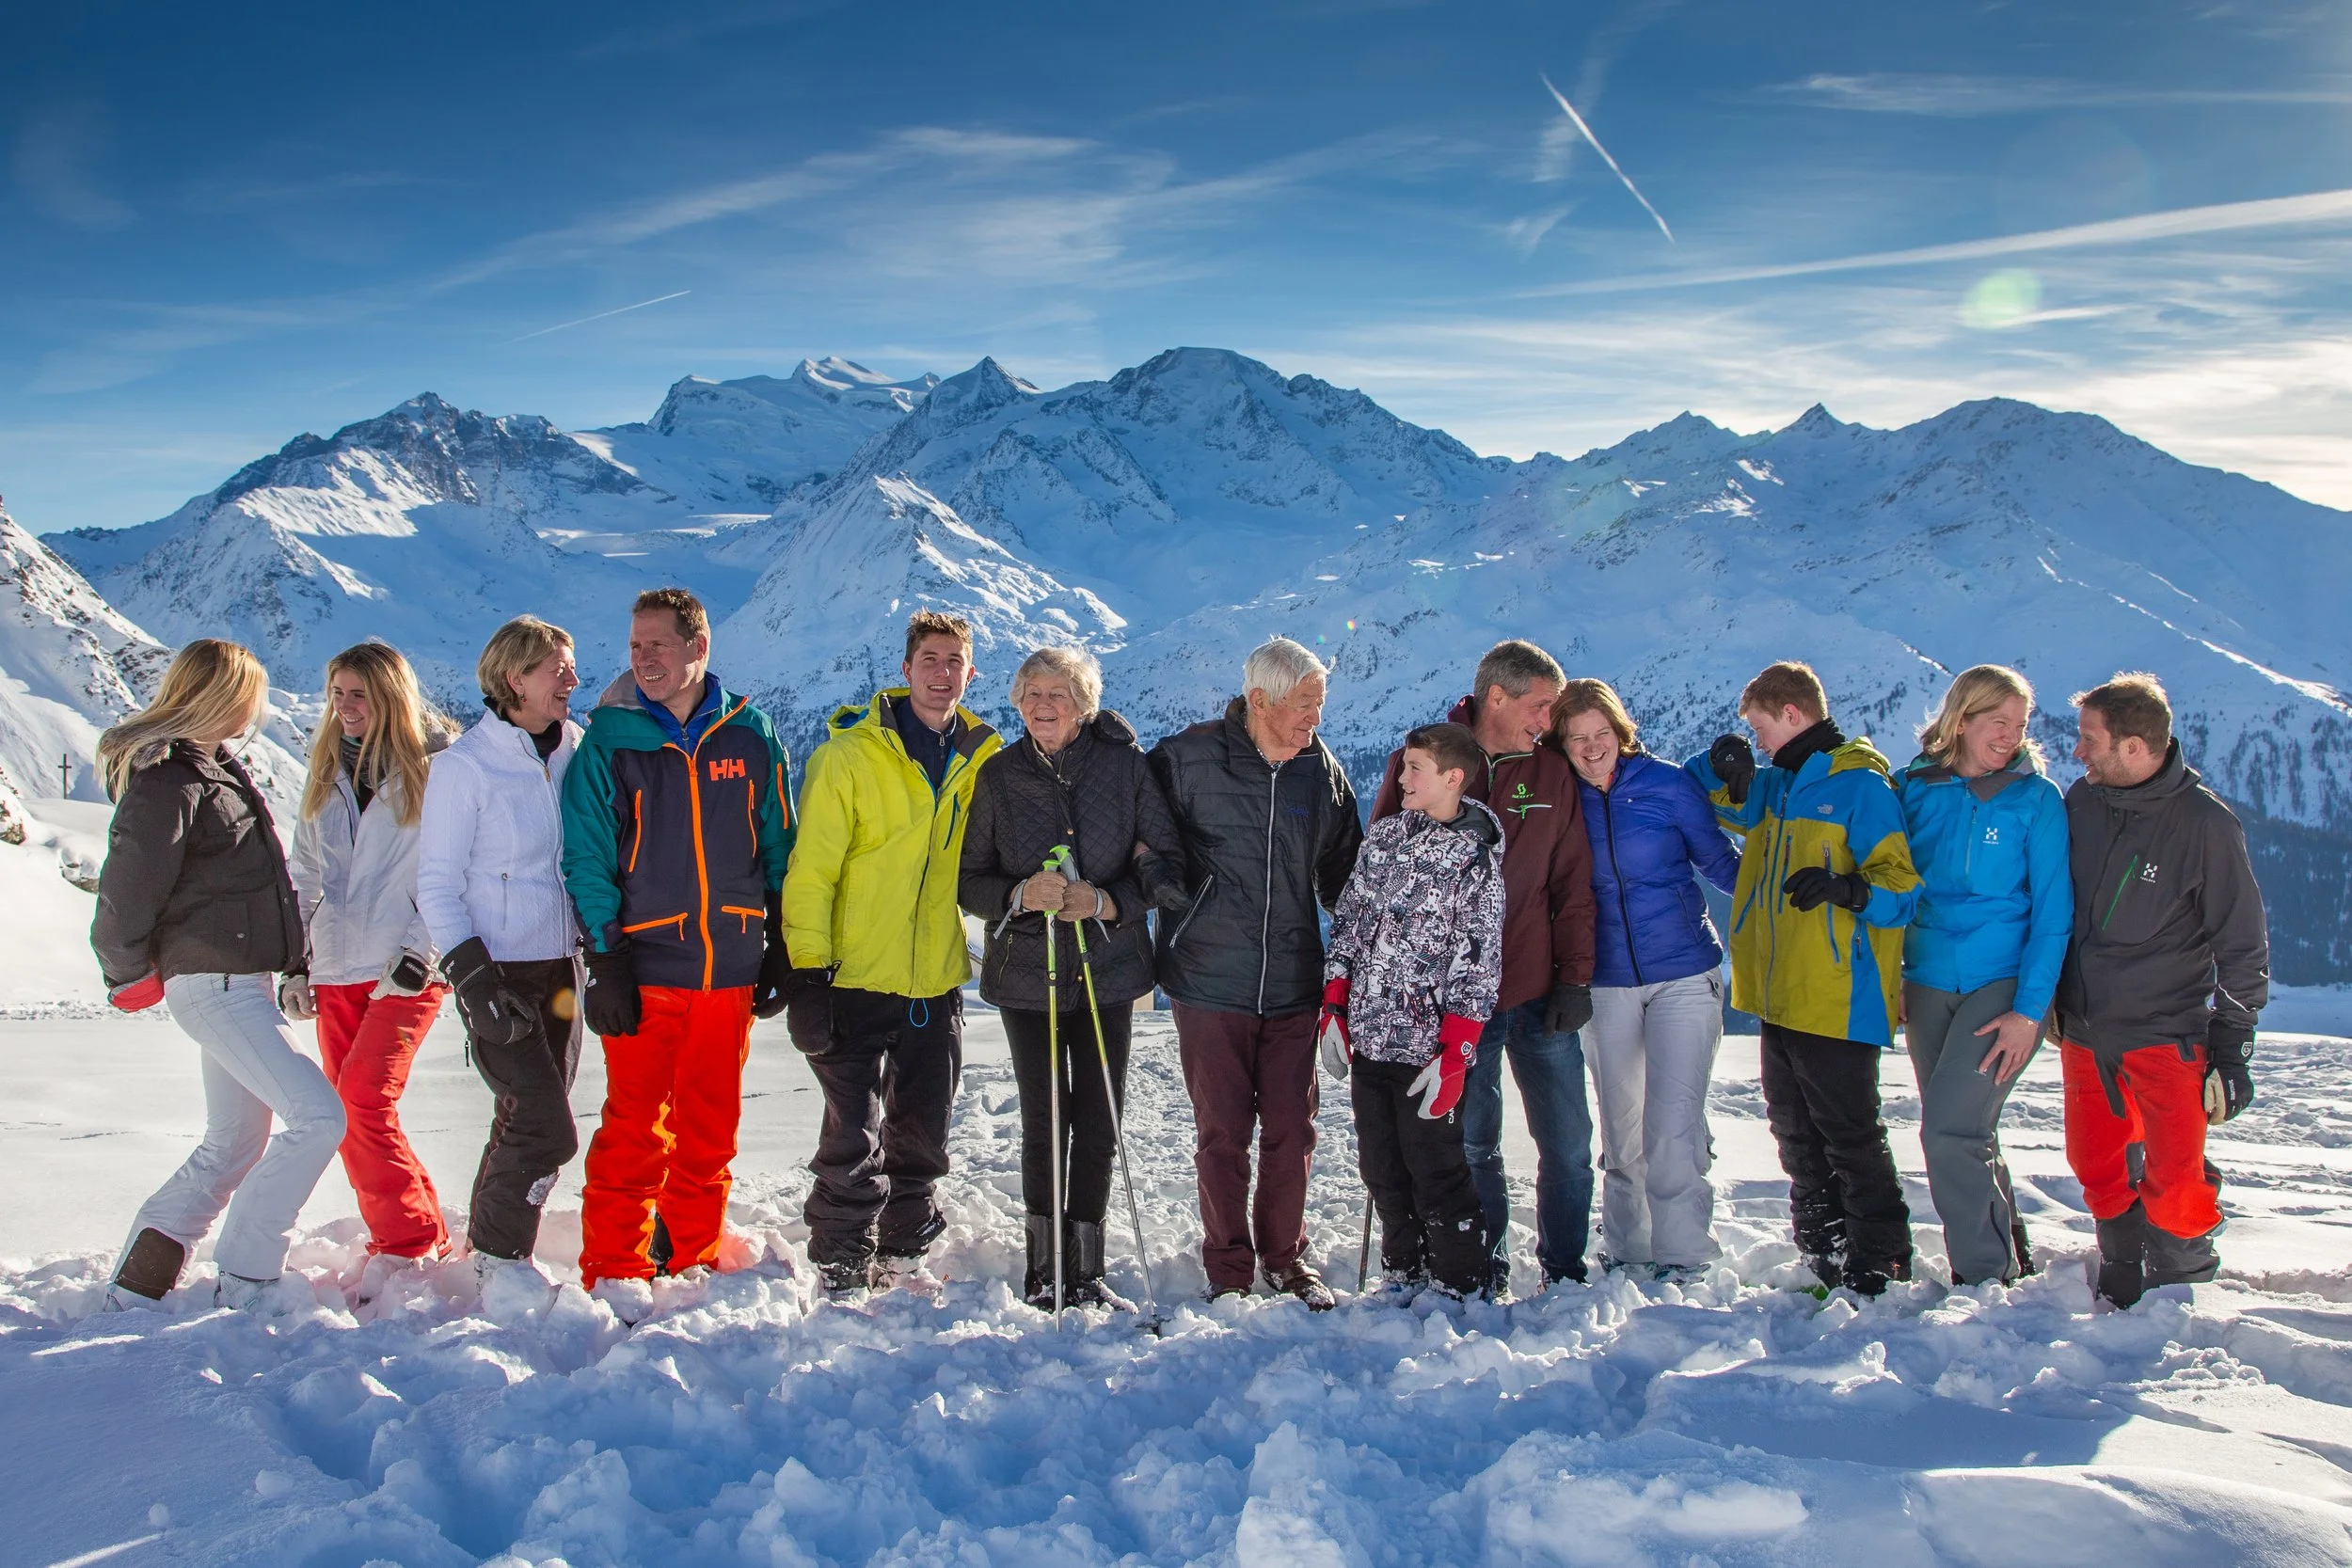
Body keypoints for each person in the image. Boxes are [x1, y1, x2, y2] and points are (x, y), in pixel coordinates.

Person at [563, 588, 795, 1317]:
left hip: (728, 968)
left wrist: (783, 940)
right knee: (635, 1128)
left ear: (699, 647)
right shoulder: (611, 740)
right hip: (645, 966)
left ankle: (690, 1258)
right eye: (636, 646)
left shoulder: (750, 733)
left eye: (658, 645)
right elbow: (588, 857)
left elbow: (780, 844)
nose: (644, 659)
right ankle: (614, 1269)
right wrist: (606, 960)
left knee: (709, 1127)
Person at [94, 639, 343, 1313]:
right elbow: (128, 883)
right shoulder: (169, 779)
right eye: (251, 692)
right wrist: (124, 970)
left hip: (239, 980)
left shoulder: (212, 768)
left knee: (234, 1141)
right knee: (319, 1116)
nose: (258, 707)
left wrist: (291, 960)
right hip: (214, 983)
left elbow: (257, 883)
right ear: (224, 694)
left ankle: (140, 1279)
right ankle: (249, 1273)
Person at [784, 610, 1003, 1293]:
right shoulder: (848, 756)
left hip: (934, 978)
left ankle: (904, 1244)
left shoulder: (984, 762)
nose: (942, 674)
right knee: (853, 1133)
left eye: (954, 663)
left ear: (971, 674)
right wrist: (807, 974)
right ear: (905, 669)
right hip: (852, 974)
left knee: (923, 1126)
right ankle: (842, 1256)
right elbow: (812, 871)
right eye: (930, 660)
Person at [957, 645, 1182, 1310]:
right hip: (1028, 971)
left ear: (1084, 704)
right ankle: (1044, 1266)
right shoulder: (999, 777)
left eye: (1058, 693)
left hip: (1108, 966)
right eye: (1031, 693)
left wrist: (1106, 902)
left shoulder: (1125, 768)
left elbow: (1164, 863)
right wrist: (1022, 893)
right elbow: (971, 880)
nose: (1043, 705)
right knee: (1045, 1115)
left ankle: (1085, 1266)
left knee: (1098, 1115)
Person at [1688, 660, 1921, 1295]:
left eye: (1760, 730)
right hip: (1777, 994)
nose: (1759, 743)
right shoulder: (1775, 786)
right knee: (1793, 1128)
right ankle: (1823, 1249)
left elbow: (1902, 890)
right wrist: (1723, 762)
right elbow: (1693, 788)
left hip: (1837, 994)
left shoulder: (1860, 788)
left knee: (1848, 1131)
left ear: (1793, 715)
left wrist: (1849, 888)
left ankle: (1881, 1258)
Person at [1369, 639, 1597, 1292]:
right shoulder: (1421, 761)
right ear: (1497, 697)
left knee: (1569, 1145)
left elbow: (1573, 880)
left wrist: (1576, 976)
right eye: (1541, 705)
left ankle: (1565, 1269)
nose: (1548, 719)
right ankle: (1484, 1265)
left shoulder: (1549, 771)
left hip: (1538, 984)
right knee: (1472, 1142)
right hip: (1456, 1000)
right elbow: (1382, 875)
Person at [1150, 636, 1363, 1308]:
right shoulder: (1187, 758)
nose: (1316, 720)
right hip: (1210, 979)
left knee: (1293, 1128)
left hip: (1295, 977)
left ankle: (1286, 1256)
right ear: (1263, 700)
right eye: (1307, 704)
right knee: (1222, 1132)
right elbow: (1141, 840)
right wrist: (1173, 895)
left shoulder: (1317, 769)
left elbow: (1345, 872)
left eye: (1320, 705)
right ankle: (1228, 1266)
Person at [2055, 672, 2267, 1307]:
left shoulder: (2205, 825)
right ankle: (2121, 1262)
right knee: (2096, 1163)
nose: (2078, 751)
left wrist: (2232, 1048)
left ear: (2135, 747)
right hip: (2085, 1029)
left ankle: (2183, 1288)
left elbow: (2243, 943)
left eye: (2089, 739)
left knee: (2177, 1180)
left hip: (2166, 1032)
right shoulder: (2081, 803)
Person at [417, 616, 583, 1292]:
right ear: (515, 679)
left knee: (523, 1116)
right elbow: (435, 884)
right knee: (548, 1127)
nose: (573, 680)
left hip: (564, 971)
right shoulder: (464, 768)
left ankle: (487, 1249)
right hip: (499, 973)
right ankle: (500, 1259)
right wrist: (471, 976)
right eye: (558, 669)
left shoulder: (576, 746)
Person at [288, 641, 458, 1304]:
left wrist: (422, 953)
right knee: (346, 1111)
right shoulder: (324, 771)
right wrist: (297, 962)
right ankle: (419, 1230)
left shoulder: (436, 769)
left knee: (364, 1099)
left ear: (390, 695)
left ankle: (406, 1243)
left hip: (405, 968)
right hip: (334, 967)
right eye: (337, 692)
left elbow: (450, 874)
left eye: (358, 693)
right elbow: (305, 875)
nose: (345, 706)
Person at [1555, 678, 1740, 1279]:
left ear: (1620, 731)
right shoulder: (1560, 798)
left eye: (1600, 734)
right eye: (1576, 738)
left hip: (1683, 973)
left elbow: (1720, 862)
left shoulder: (1667, 785)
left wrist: (1785, 898)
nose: (1590, 749)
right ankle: (1629, 1251)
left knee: (1674, 1123)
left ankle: (1685, 1255)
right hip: (1604, 981)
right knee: (1622, 1124)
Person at [1897, 665, 2072, 1287]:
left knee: (1949, 1129)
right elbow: (1891, 886)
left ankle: (1983, 1277)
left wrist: (2030, 1012)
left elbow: (2054, 915)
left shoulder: (2036, 799)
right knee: (1968, 1131)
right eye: (1997, 722)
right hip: (1925, 981)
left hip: (2000, 984)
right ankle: (2012, 1260)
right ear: (1961, 719)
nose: (2010, 735)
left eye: (2019, 725)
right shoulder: (1913, 787)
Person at [1321, 722, 1508, 1299]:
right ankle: (1403, 1268)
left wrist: (1457, 1051)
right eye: (1403, 767)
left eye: (1414, 769)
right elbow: (1352, 919)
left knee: (1436, 1168)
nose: (1401, 778)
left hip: (1428, 1049)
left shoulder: (1474, 861)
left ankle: (1460, 1280)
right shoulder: (1385, 839)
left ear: (1452, 778)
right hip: (1372, 1035)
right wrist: (1335, 1003)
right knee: (1380, 1165)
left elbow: (1479, 962)